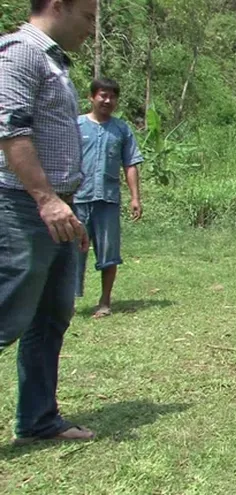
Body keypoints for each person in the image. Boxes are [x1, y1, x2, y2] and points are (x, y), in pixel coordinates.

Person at [0, 0, 98, 444]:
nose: (92, 28)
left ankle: (38, 420)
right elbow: (11, 130)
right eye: (89, 17)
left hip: (57, 207)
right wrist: (44, 198)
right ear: (58, 5)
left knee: (50, 317)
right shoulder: (20, 51)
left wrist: (65, 205)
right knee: (7, 314)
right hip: (24, 207)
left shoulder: (53, 62)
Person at [73, 78, 144, 318]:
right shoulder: (76, 126)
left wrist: (135, 198)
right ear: (91, 97)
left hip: (108, 201)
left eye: (112, 97)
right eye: (102, 95)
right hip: (78, 199)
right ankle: (68, 301)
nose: (107, 100)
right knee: (72, 252)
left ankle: (104, 301)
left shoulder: (121, 130)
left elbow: (131, 164)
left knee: (109, 252)